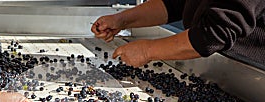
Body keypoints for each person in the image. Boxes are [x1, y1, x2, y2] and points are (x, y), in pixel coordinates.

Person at [91, 0, 265, 69]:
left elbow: (213, 35)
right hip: (214, 67)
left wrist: (146, 51)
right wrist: (123, 19)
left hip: (253, 77)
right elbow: (179, 3)